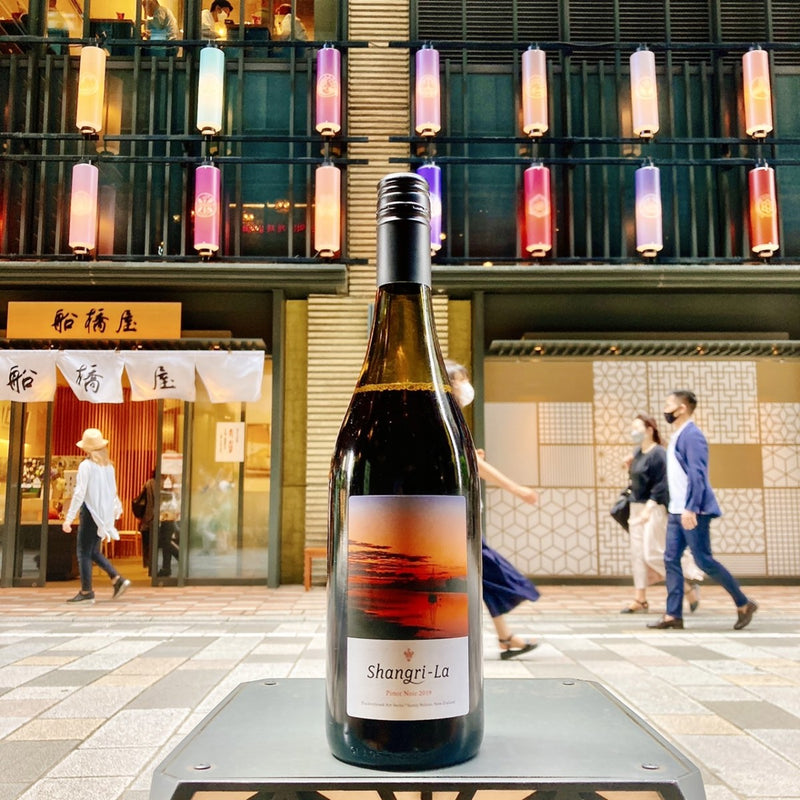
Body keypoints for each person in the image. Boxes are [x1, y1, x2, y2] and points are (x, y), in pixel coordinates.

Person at [446, 360, 540, 659]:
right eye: (460, 380)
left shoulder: (452, 420)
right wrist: (517, 489)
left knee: (484, 575)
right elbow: (476, 468)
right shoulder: (446, 419)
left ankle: (506, 637)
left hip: (460, 518)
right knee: (487, 572)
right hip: (455, 521)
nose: (465, 386)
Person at [647, 390, 758, 631]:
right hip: (677, 510)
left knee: (703, 560)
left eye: (669, 405)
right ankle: (672, 615)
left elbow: (698, 475)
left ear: (682, 408)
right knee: (671, 560)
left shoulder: (693, 436)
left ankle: (744, 603)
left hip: (692, 510)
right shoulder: (677, 435)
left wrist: (691, 508)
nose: (665, 409)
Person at [621, 413, 704, 614]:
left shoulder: (658, 453)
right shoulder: (638, 453)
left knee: (652, 553)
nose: (634, 433)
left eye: (637, 428)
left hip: (654, 508)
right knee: (638, 555)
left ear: (650, 430)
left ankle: (686, 587)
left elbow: (662, 484)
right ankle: (640, 599)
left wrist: (649, 508)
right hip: (637, 506)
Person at [61, 428, 130, 604]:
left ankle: (86, 591)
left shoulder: (86, 466)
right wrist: (113, 513)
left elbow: (79, 493)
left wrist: (69, 518)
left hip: (90, 512)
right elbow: (113, 492)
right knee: (92, 551)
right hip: (103, 514)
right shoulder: (109, 466)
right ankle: (117, 579)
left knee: (83, 552)